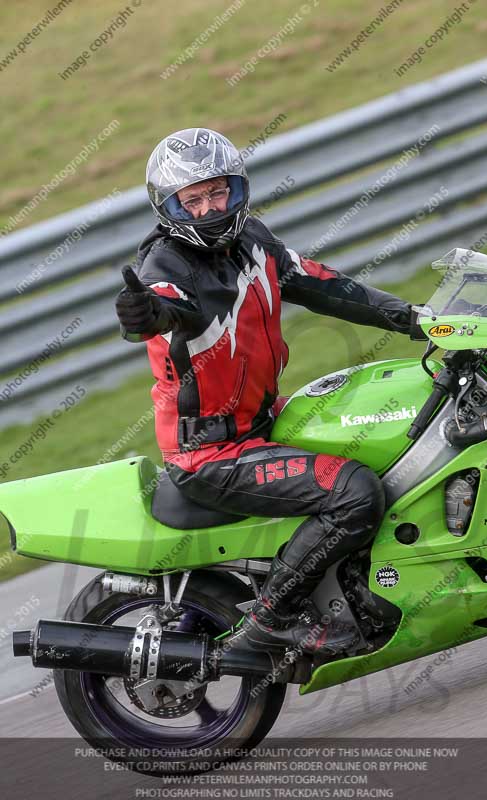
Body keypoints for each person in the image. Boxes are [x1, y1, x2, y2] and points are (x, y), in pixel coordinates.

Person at [115, 127, 425, 655]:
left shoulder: (254, 241)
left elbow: (323, 284)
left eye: (219, 192)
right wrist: (145, 315)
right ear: (169, 208)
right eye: (192, 201)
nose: (209, 209)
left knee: (388, 438)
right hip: (211, 452)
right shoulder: (167, 265)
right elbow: (165, 306)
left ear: (239, 190)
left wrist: (419, 319)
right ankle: (271, 618)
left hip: (261, 420)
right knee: (354, 492)